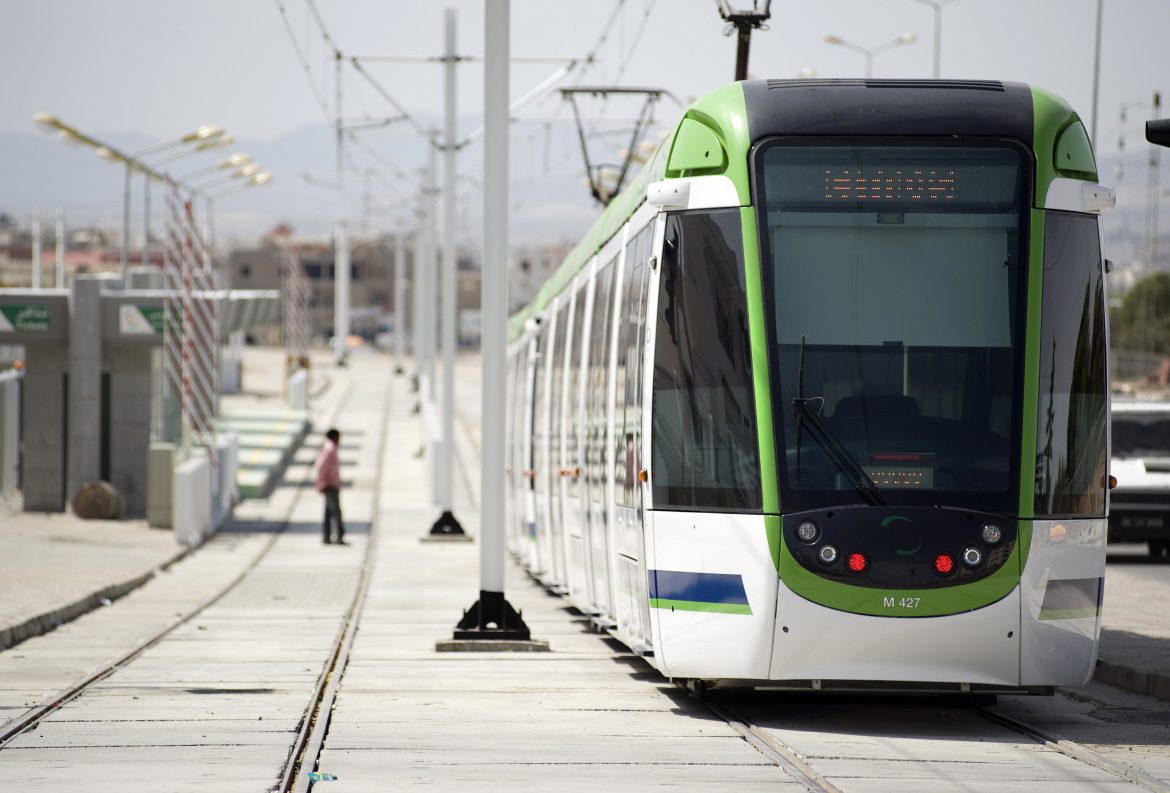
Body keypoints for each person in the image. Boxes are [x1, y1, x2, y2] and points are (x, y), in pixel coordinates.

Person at [314, 428, 345, 544]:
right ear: (334, 437)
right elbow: (321, 467)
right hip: (330, 485)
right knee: (336, 512)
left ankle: (327, 537)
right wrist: (323, 482)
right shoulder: (330, 449)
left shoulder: (329, 448)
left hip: (330, 484)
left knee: (328, 512)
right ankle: (339, 537)